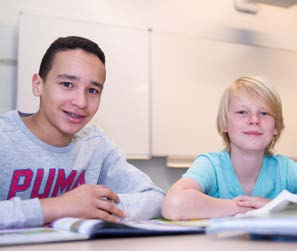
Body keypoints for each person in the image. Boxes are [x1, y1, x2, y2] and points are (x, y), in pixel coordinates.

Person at [0, 36, 165, 229]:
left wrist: (93, 208)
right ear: (38, 85)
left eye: (93, 90)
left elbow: (156, 198)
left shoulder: (96, 145)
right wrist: (61, 207)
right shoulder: (5, 137)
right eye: (67, 84)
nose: (81, 102)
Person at [162, 76, 297, 220]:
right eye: (242, 112)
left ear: (275, 126)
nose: (254, 120)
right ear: (225, 123)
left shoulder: (286, 169)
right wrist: (248, 207)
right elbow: (174, 204)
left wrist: (271, 205)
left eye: (264, 113)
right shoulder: (211, 165)